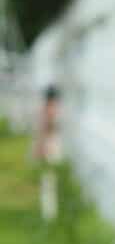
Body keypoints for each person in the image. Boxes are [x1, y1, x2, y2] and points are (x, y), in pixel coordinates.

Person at [34, 85, 62, 221]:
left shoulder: (49, 111)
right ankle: (49, 212)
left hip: (49, 148)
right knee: (49, 179)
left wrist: (41, 147)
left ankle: (49, 214)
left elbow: (45, 131)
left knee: (48, 179)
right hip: (52, 147)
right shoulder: (54, 110)